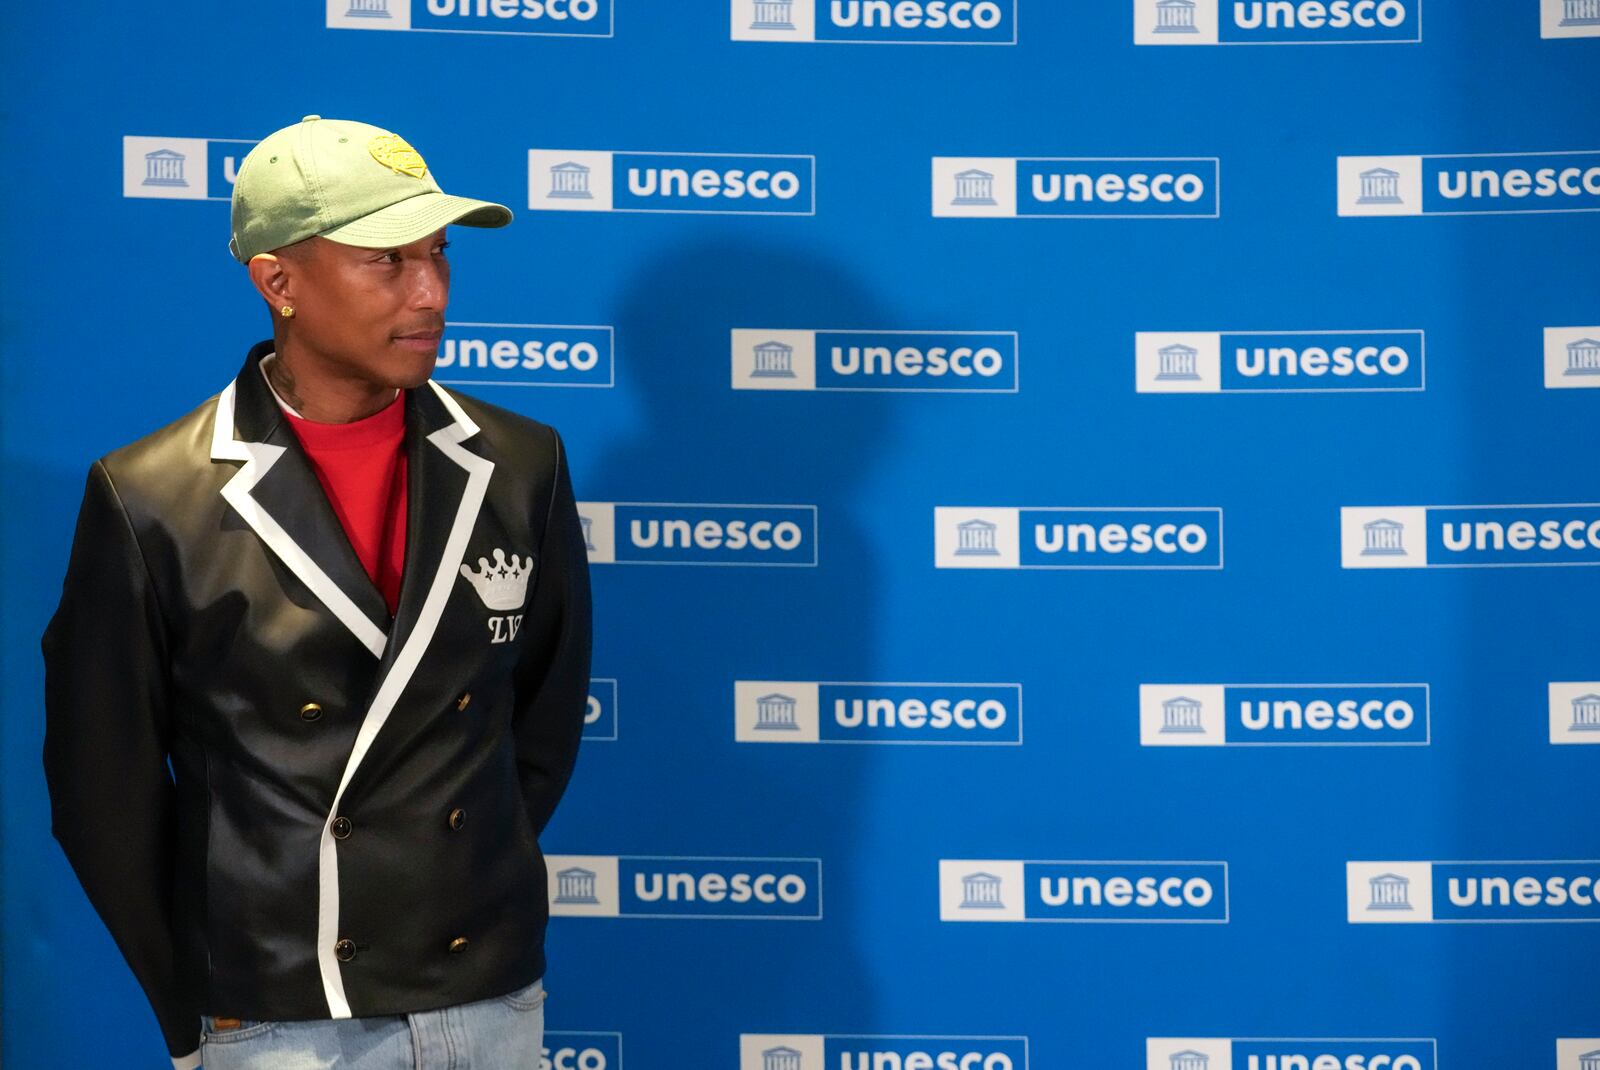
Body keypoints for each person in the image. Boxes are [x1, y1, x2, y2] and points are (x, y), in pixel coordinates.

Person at [40, 115, 592, 1069]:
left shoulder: (520, 461)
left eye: (438, 256)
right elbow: (104, 793)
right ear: (278, 281)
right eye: (387, 261)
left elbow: (536, 723)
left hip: (492, 1000)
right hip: (279, 1021)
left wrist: (448, 879)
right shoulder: (152, 496)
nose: (431, 294)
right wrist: (198, 1015)